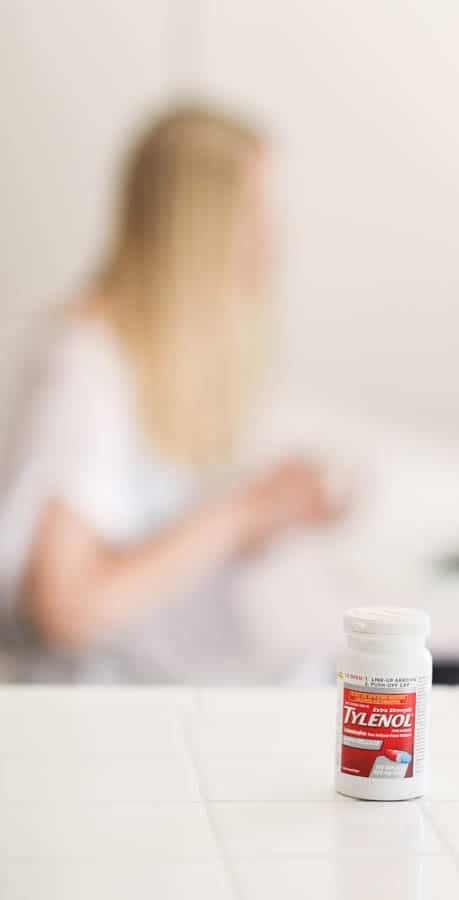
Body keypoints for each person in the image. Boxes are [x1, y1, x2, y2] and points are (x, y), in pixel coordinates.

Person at [0, 105, 344, 682]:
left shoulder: (136, 356)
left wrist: (260, 517)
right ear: (198, 227)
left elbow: (132, 554)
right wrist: (237, 515)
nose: (271, 239)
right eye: (252, 214)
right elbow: (66, 607)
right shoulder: (86, 366)